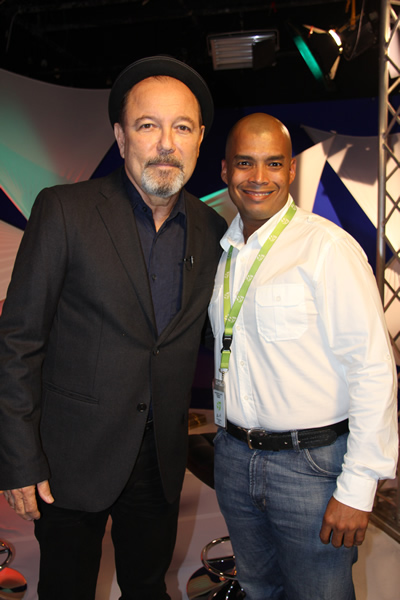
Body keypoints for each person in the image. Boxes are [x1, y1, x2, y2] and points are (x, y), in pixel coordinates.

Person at [0, 56, 226, 600]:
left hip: (160, 460)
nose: (166, 144)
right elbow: (18, 342)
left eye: (182, 128)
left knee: (147, 587)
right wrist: (19, 458)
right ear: (121, 137)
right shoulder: (64, 210)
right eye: (149, 126)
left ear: (199, 141)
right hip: (68, 459)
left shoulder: (212, 228)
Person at [208, 113, 398, 600]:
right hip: (234, 458)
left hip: (310, 469)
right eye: (245, 163)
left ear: (291, 170)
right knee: (258, 590)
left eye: (273, 163)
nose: (259, 177)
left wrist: (358, 487)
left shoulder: (326, 248)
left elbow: (372, 370)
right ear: (225, 169)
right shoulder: (225, 253)